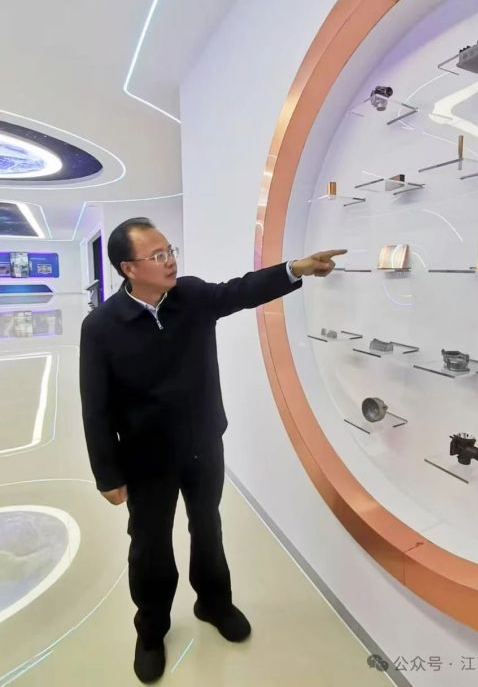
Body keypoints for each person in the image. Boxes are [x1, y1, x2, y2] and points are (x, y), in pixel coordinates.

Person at [79, 217, 346, 683]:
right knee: (149, 546)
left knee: (208, 528)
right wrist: (108, 474)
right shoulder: (101, 326)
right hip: (146, 458)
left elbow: (240, 291)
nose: (170, 261)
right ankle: (151, 630)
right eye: (157, 255)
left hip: (202, 445)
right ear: (128, 268)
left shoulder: (192, 296)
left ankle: (214, 603)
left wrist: (295, 268)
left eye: (170, 250)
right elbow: (95, 405)